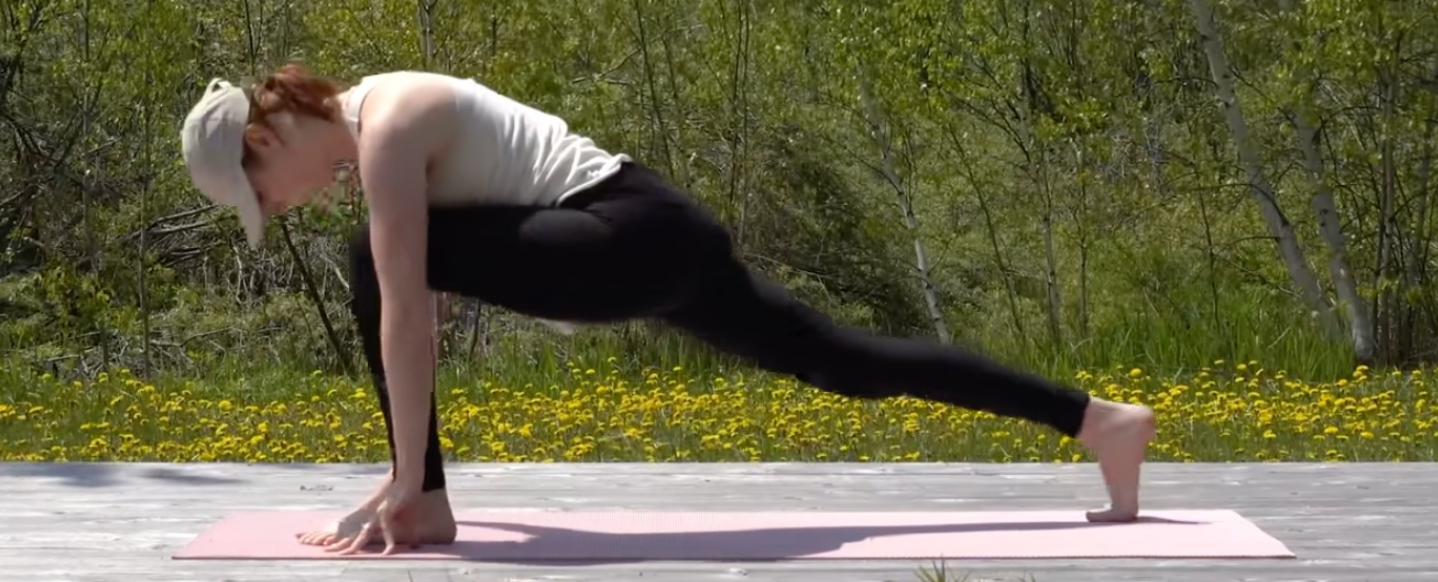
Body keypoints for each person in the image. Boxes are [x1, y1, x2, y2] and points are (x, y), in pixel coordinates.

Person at [180, 65, 1156, 555]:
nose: (276, 208)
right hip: (661, 237)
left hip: (630, 234)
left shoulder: (387, 127)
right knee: (842, 360)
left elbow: (406, 311)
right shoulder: (378, 125)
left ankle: (422, 497)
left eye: (261, 197)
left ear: (267, 142)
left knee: (375, 260)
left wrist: (403, 476)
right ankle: (1097, 420)